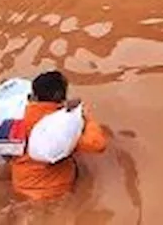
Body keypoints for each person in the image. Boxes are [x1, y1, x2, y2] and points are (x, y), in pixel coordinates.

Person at [10, 70, 108, 201]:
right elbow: (98, 145)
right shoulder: (62, 125)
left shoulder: (19, 114)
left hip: (19, 184)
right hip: (53, 191)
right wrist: (84, 117)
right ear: (59, 94)